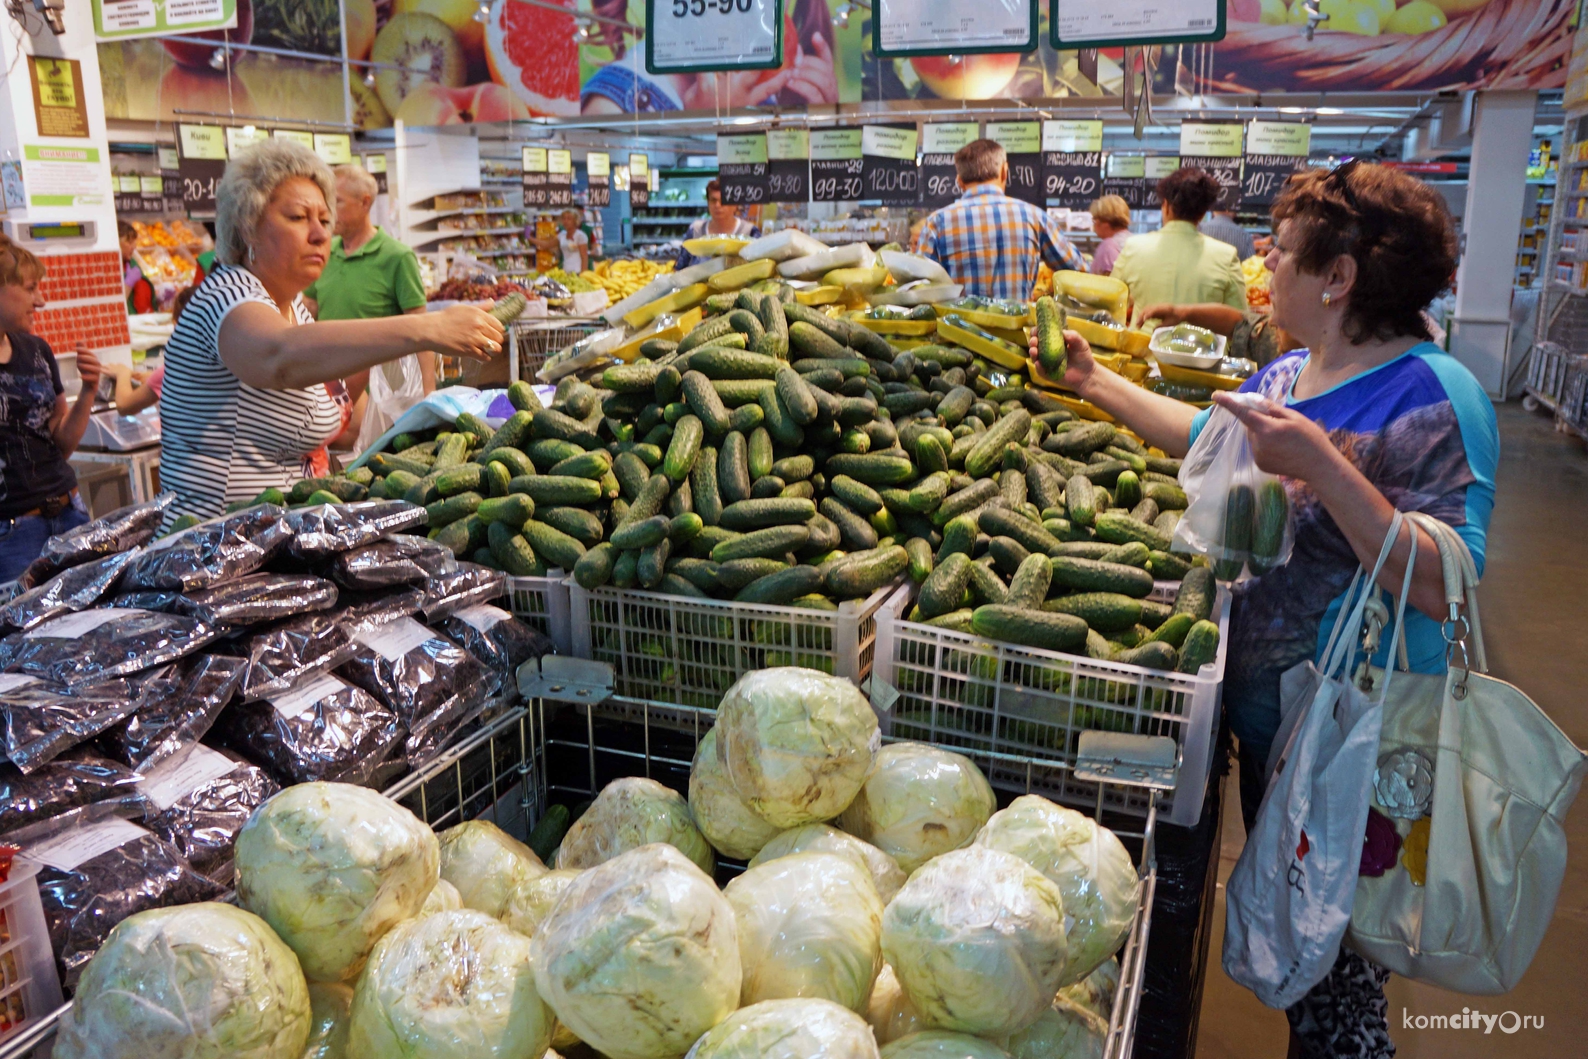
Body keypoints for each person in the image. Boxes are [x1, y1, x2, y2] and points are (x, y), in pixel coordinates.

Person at [1033, 161, 1496, 1058]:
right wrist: (1093, 381)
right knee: (1296, 936)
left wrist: (1323, 463)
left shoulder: (1437, 393)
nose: (1265, 266)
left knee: (1339, 980)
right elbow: (1208, 438)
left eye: (1280, 253)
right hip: (1272, 718)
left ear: (1340, 277)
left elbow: (1450, 576)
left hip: (1356, 735)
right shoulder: (1291, 370)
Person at [158, 140, 503, 523]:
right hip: (211, 552)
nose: (321, 235)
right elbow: (277, 356)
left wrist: (435, 423)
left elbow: (339, 423)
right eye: (297, 217)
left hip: (281, 542)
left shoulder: (294, 312)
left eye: (325, 220)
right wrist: (427, 327)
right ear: (248, 226)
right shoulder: (226, 295)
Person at [304, 164, 435, 453]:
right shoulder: (323, 253)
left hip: (379, 395)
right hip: (327, 383)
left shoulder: (397, 257)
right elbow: (308, 308)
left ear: (365, 202)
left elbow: (421, 328)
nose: (328, 211)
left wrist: (428, 398)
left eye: (336, 201)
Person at [0, 234, 102, 580]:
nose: (40, 301)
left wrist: (89, 391)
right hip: (13, 535)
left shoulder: (37, 351)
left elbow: (61, 444)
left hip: (69, 513)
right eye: (30, 288)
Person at [916, 139, 1087, 302]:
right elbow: (1080, 271)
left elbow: (919, 289)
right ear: (1005, 172)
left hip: (956, 330)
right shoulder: (1035, 217)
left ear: (960, 182)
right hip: (1019, 331)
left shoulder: (936, 223)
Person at [1110, 167, 1247, 322]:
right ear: (1202, 213)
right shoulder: (1226, 256)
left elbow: (1111, 302)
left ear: (1166, 206)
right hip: (1202, 345)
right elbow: (1241, 321)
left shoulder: (1133, 247)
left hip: (1142, 343)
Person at [1135, 301, 1298, 369]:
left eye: (1284, 251)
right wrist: (1182, 313)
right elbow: (1239, 324)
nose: (1272, 322)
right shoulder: (1272, 339)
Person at [674, 180, 761, 270]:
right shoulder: (695, 231)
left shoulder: (750, 232)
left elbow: (758, 267)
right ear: (708, 203)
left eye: (723, 201)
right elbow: (680, 268)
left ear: (735, 205)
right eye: (713, 200)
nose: (717, 205)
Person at [1087, 195, 1132, 275]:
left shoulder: (1108, 247)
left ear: (1105, 222)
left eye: (1094, 220)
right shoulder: (1133, 241)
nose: (1094, 225)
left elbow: (1108, 284)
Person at [119, 220, 156, 315]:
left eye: (134, 242)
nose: (134, 247)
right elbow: (113, 307)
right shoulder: (108, 268)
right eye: (129, 242)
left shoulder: (131, 263)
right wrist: (128, 285)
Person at [540, 209, 590, 275]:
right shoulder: (562, 235)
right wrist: (529, 237)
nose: (566, 221)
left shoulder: (580, 236)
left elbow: (584, 257)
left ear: (575, 221)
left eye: (569, 219)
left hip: (578, 272)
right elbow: (546, 245)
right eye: (564, 218)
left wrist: (583, 275)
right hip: (565, 272)